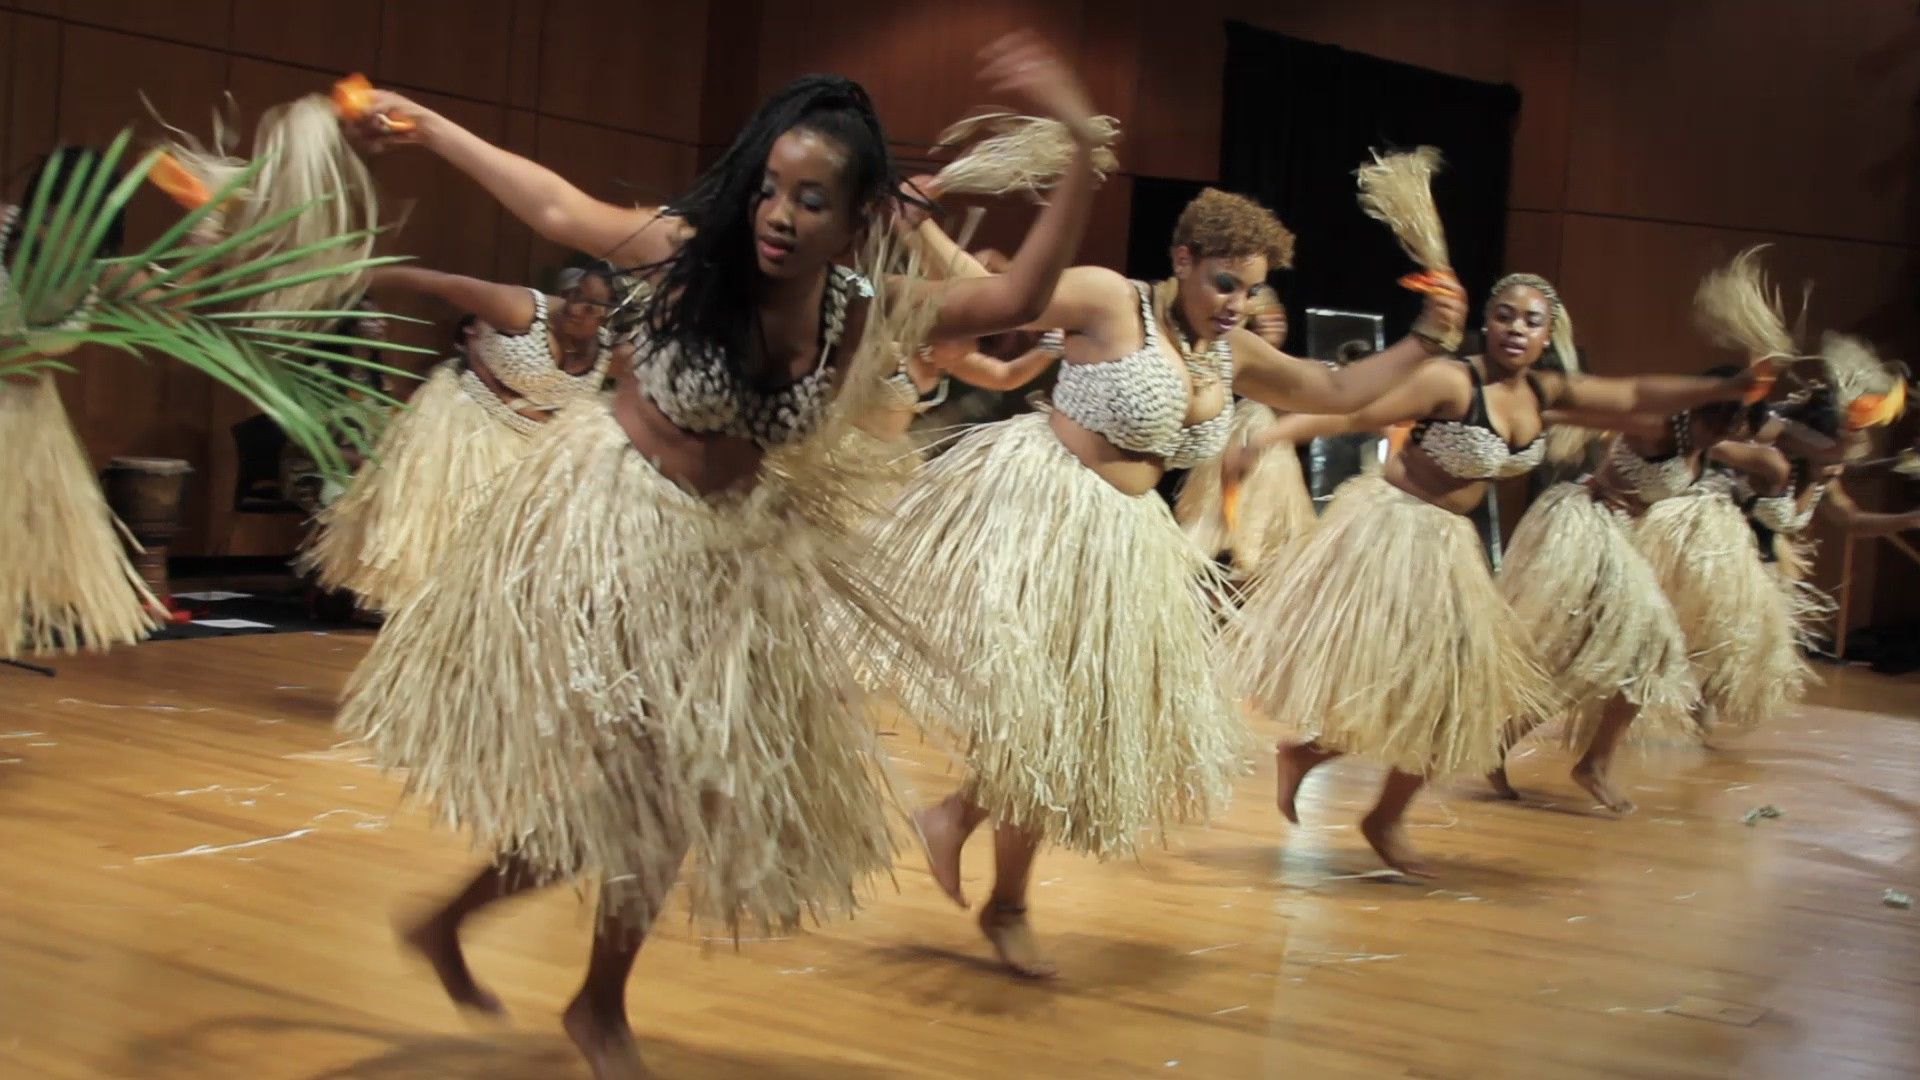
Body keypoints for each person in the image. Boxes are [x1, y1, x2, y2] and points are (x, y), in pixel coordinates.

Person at [332, 36, 1106, 1078]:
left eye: (814, 199)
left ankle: (495, 946)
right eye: (774, 189)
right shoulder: (687, 250)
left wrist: (1077, 146)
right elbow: (561, 211)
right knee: (645, 787)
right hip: (616, 529)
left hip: (726, 557)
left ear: (857, 216)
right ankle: (587, 1004)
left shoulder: (858, 312)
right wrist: (427, 125)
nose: (783, 214)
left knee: (659, 792)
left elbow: (1017, 304)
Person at [872, 185, 1468, 977]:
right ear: (1181, 259)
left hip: (1125, 539)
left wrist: (1428, 336)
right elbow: (992, 297)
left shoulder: (1230, 352)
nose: (1238, 303)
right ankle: (995, 885)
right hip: (1047, 513)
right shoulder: (1107, 299)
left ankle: (970, 845)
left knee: (1075, 725)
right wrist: (920, 229)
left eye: (1251, 288)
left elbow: (1333, 390)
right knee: (1049, 718)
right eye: (1225, 282)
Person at [1228, 272, 1762, 876]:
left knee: (1454, 694)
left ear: (1546, 335)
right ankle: (1363, 800)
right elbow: (1354, 413)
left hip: (1449, 544)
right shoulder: (1451, 380)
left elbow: (1635, 392)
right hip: (1393, 533)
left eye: (1531, 321)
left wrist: (1739, 384)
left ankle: (1327, 769)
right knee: (1437, 686)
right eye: (1505, 315)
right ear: (1489, 320)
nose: (1516, 328)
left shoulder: (1544, 391)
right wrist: (1272, 435)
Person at [300, 263, 626, 609]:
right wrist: (347, 277)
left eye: (590, 306)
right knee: (442, 529)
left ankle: (471, 618)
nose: (574, 307)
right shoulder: (520, 308)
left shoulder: (616, 353)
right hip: (463, 423)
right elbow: (438, 280)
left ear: (612, 319)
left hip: (533, 446)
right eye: (574, 294)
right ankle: (415, 607)